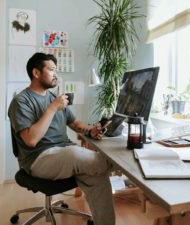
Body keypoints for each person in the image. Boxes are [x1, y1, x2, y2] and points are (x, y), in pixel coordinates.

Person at [8, 53, 115, 225]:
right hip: (38, 159)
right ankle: (118, 164)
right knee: (77, 154)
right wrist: (52, 108)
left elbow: (74, 123)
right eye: (51, 70)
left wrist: (91, 130)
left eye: (56, 70)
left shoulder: (55, 99)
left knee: (98, 178)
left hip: (64, 154)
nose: (56, 74)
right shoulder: (21, 101)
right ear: (36, 73)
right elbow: (31, 140)